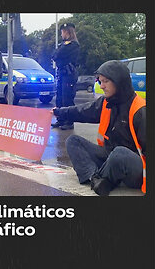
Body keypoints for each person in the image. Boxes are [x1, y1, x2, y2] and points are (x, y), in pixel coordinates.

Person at [52, 60, 146, 196]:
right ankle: (94, 178)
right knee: (73, 141)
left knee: (120, 153)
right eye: (100, 81)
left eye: (105, 81)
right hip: (109, 155)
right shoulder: (106, 102)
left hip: (133, 167)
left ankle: (103, 178)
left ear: (119, 82)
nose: (101, 86)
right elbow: (82, 111)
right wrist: (59, 112)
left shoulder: (139, 110)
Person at [51, 23, 80, 130]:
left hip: (69, 74)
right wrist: (59, 55)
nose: (61, 34)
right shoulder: (63, 45)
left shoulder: (74, 45)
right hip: (62, 74)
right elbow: (54, 55)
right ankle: (61, 119)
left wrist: (59, 55)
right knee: (59, 98)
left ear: (67, 32)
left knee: (67, 99)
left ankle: (69, 121)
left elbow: (58, 55)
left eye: (62, 32)